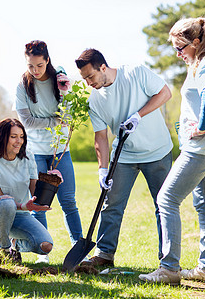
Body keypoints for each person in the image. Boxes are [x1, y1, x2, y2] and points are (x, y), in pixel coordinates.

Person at [139, 17, 205, 285]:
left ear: (197, 42)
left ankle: (168, 269)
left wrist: (201, 125)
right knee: (204, 205)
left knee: (166, 200)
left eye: (181, 48)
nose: (178, 54)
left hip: (201, 150)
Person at [75, 49, 173, 267]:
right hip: (124, 156)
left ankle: (168, 261)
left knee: (164, 206)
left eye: (90, 76)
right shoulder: (95, 101)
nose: (89, 82)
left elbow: (165, 93)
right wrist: (102, 169)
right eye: (84, 79)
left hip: (158, 151)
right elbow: (100, 137)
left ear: (103, 67)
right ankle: (104, 254)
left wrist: (139, 115)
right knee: (111, 205)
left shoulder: (135, 74)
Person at [15, 40, 83, 264]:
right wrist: (55, 121)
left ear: (47, 61)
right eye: (30, 66)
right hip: (35, 153)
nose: (34, 71)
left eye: (39, 66)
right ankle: (42, 252)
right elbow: (26, 121)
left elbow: (70, 115)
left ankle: (78, 250)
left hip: (60, 150)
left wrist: (65, 91)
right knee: (39, 204)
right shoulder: (22, 86)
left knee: (68, 202)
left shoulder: (60, 81)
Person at [0, 118, 53, 261]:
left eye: (21, 137)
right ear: (2, 138)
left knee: (45, 246)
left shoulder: (28, 157)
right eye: (13, 137)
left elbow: (35, 191)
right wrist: (24, 206)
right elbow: (0, 200)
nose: (19, 141)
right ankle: (5, 249)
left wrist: (51, 182)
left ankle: (15, 243)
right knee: (6, 202)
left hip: (20, 215)